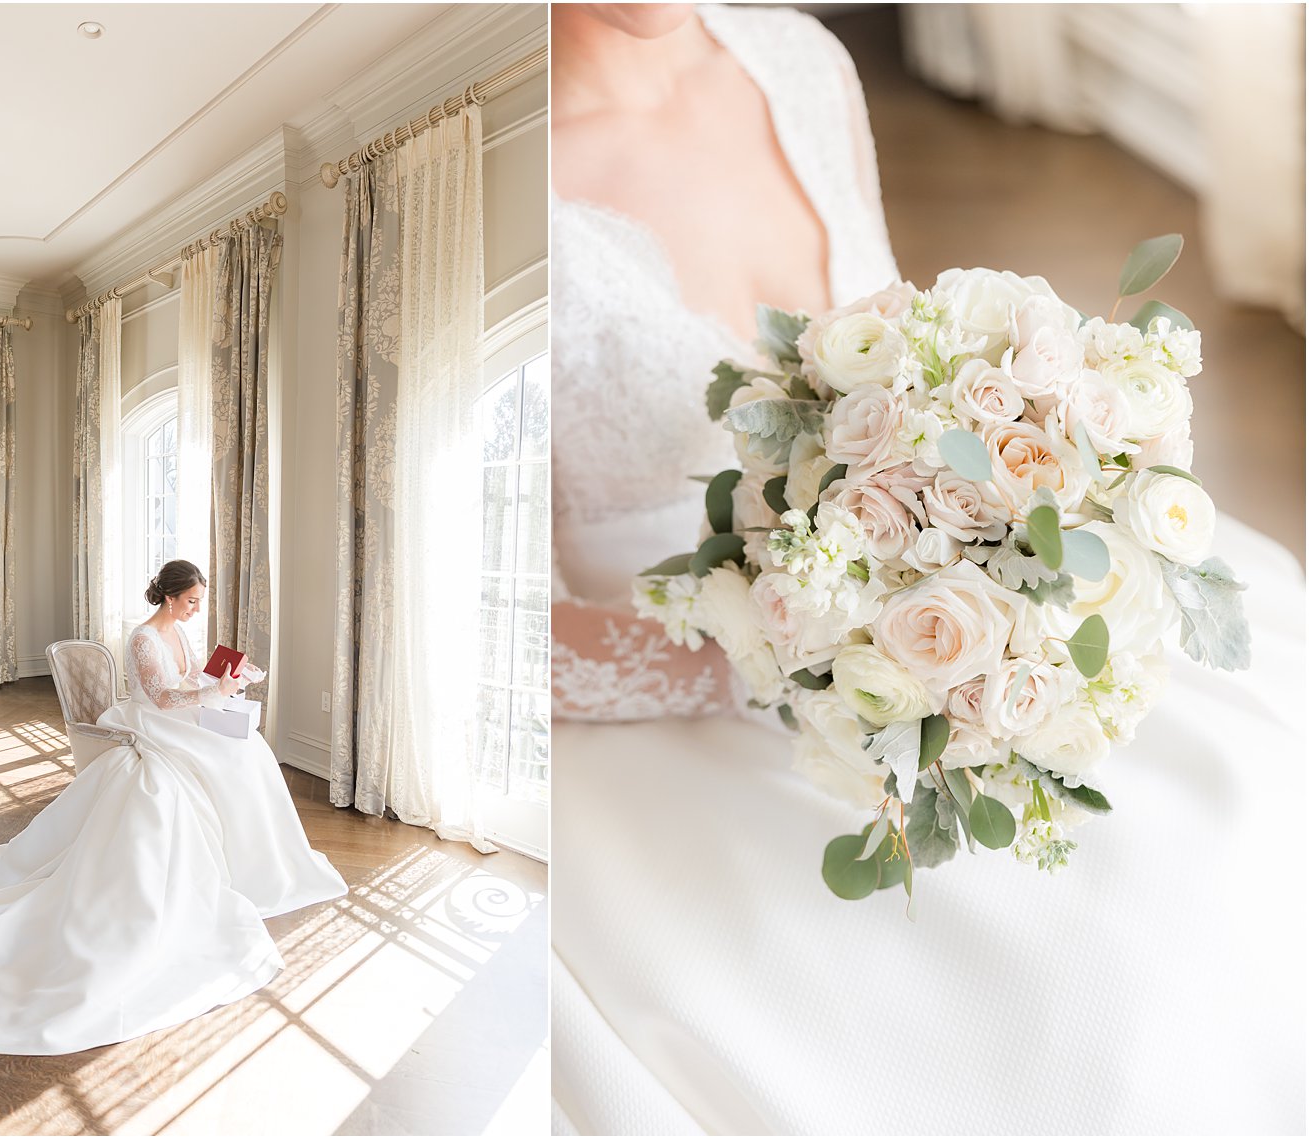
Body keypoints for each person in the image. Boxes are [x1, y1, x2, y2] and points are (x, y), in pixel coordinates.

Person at [549, 5, 1306, 1134]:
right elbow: (476, 622)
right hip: (668, 671)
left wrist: (990, 512)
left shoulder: (798, 61)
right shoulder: (495, 167)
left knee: (1249, 801)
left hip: (935, 599)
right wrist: (780, 651)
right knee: (1074, 988)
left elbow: (899, 342)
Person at [0, 559, 347, 1055]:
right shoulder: (142, 639)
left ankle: (257, 864)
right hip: (156, 724)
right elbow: (160, 698)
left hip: (182, 715)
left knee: (248, 750)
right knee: (226, 759)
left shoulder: (179, 632)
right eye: (191, 601)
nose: (196, 609)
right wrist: (210, 693)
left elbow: (187, 680)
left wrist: (223, 680)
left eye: (199, 602)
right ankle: (234, 861)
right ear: (170, 597)